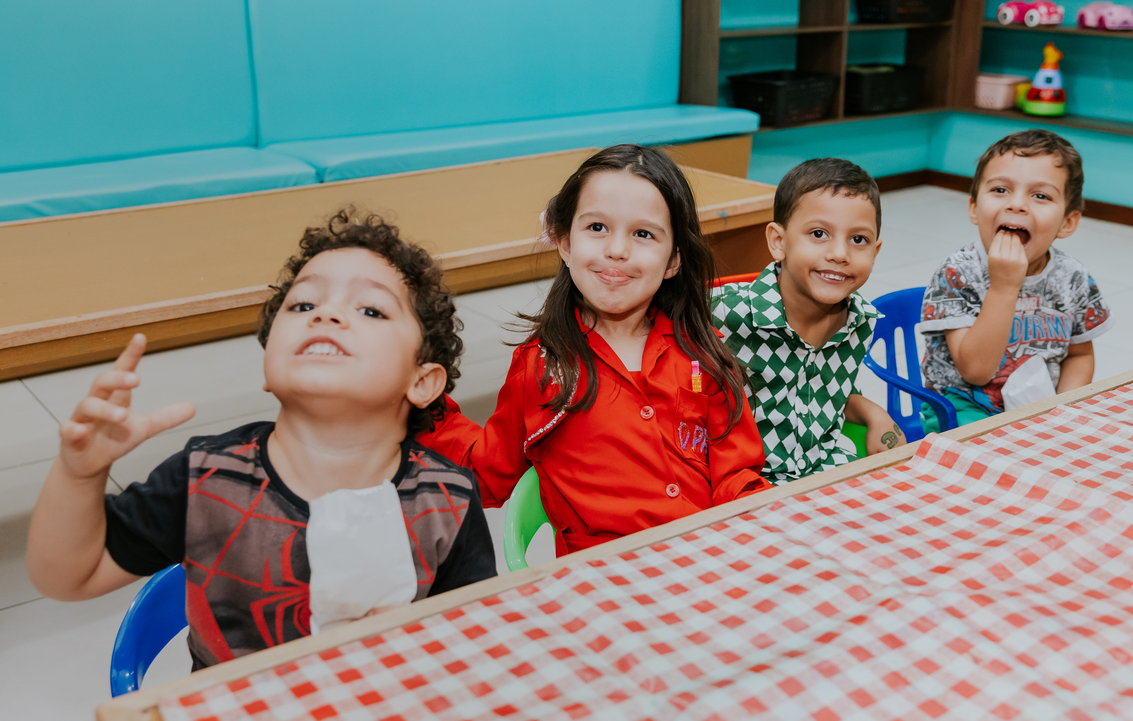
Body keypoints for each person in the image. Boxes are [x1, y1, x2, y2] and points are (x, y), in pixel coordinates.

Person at [27, 211, 496, 669]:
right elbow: (68, 577)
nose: (327, 315)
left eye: (370, 309)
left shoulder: (446, 498)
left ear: (422, 381)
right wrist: (77, 474)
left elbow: (476, 641)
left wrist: (414, 640)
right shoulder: (205, 479)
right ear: (269, 362)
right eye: (303, 306)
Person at [420, 145, 770, 556]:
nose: (616, 250)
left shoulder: (704, 354)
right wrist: (415, 402)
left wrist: (764, 529)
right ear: (565, 243)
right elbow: (486, 473)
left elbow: (737, 475)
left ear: (674, 259)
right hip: (602, 581)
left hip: (707, 563)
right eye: (598, 228)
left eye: (643, 234)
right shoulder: (542, 367)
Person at [712, 158, 904, 485]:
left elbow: (827, 395)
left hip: (822, 474)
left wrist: (875, 413)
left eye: (859, 240)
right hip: (738, 484)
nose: (840, 253)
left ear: (875, 251)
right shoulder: (722, 313)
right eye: (819, 233)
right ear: (778, 241)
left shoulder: (859, 322)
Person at [917, 130, 1113, 432]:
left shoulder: (1072, 278)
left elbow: (1079, 354)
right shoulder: (957, 273)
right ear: (974, 207)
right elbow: (976, 372)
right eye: (1000, 190)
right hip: (963, 408)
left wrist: (1063, 410)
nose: (1017, 205)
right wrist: (1004, 287)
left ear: (1067, 222)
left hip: (1039, 407)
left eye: (1040, 196)